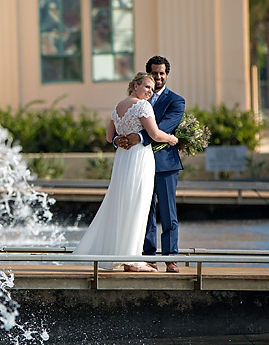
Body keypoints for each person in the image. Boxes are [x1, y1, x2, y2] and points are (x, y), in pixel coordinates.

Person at [73, 72, 178, 272]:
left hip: (123, 159)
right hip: (139, 158)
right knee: (137, 204)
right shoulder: (142, 105)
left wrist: (117, 141)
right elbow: (154, 134)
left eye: (151, 87)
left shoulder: (118, 106)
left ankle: (126, 256)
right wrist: (172, 139)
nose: (150, 90)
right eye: (146, 86)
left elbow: (108, 136)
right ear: (135, 86)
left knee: (124, 204)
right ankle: (132, 260)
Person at [113, 56, 185, 272]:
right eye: (155, 73)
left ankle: (171, 258)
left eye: (162, 73)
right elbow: (118, 129)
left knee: (168, 211)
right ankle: (147, 256)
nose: (159, 77)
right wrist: (119, 141)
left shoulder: (176, 101)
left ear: (167, 75)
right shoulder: (136, 100)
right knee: (143, 210)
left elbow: (164, 127)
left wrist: (139, 137)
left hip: (165, 164)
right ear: (147, 75)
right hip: (136, 163)